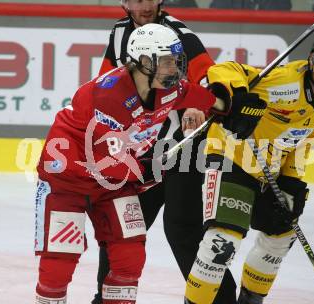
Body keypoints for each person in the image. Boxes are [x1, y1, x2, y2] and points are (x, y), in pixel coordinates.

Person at [33, 23, 231, 304]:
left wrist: (227, 105)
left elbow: (194, 95)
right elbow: (103, 157)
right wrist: (144, 170)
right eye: (167, 62)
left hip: (114, 181)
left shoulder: (164, 87)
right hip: (68, 177)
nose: (174, 68)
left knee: (129, 257)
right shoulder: (107, 96)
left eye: (176, 61)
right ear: (144, 62)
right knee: (59, 261)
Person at [184, 27, 314, 304]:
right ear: (313, 59)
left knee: (280, 235)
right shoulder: (282, 82)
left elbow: (303, 140)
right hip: (232, 158)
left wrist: (292, 181)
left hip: (271, 171)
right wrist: (238, 97)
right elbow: (225, 70)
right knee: (222, 243)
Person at [94, 1, 238, 303]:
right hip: (140, 155)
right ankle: (107, 298)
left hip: (182, 149)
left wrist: (196, 105)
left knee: (182, 230)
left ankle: (220, 300)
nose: (144, 5)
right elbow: (105, 87)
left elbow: (207, 79)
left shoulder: (180, 34)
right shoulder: (120, 32)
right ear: (124, 2)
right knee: (122, 231)